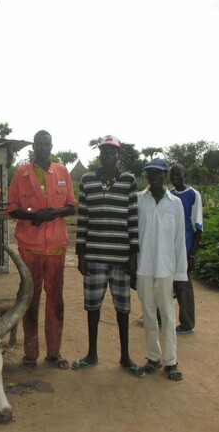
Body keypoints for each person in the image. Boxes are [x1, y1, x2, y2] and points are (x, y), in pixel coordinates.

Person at [72, 134, 143, 376]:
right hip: (94, 254)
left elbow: (132, 218)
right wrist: (80, 252)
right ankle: (92, 353)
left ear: (118, 155)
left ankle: (125, 356)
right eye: (104, 151)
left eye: (112, 151)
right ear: (100, 154)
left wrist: (133, 254)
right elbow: (83, 218)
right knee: (93, 306)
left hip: (121, 257)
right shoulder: (87, 180)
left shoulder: (129, 181)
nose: (108, 155)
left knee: (123, 308)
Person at [7, 130, 77, 370]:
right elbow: (13, 209)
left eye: (47, 143)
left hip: (56, 248)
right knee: (30, 298)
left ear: (51, 145)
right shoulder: (21, 174)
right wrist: (33, 215)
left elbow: (71, 207)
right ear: (34, 146)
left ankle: (54, 354)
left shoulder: (62, 172)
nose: (43, 147)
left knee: (55, 300)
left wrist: (52, 213)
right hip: (30, 248)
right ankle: (30, 354)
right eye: (39, 143)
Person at [136, 158, 187, 381]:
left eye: (158, 173)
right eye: (150, 173)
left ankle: (171, 361)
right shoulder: (138, 200)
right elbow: (133, 235)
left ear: (165, 175)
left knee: (167, 314)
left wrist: (180, 275)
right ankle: (153, 357)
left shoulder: (174, 203)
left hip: (166, 267)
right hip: (144, 265)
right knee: (148, 313)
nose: (153, 177)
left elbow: (179, 241)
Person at [169, 163, 203, 334]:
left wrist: (192, 255)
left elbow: (198, 227)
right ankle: (163, 318)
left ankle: (187, 323)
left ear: (185, 174)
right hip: (169, 249)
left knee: (183, 287)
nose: (174, 177)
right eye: (171, 174)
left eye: (178, 174)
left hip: (185, 249)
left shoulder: (193, 195)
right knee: (166, 284)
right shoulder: (169, 195)